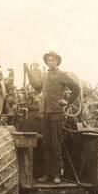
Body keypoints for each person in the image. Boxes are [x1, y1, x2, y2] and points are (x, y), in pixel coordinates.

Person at [29, 51, 80, 184]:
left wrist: (67, 101)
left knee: (56, 145)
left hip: (57, 114)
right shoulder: (45, 76)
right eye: (49, 60)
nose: (51, 62)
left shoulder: (62, 75)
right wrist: (28, 70)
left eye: (53, 60)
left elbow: (76, 88)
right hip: (45, 114)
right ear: (47, 63)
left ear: (57, 62)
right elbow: (37, 86)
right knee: (46, 144)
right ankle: (47, 174)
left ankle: (57, 174)